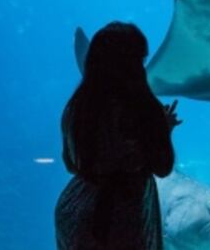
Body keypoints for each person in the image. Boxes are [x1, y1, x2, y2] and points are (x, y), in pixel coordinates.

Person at [55, 22, 181, 249]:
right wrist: (164, 130)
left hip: (76, 211)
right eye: (141, 60)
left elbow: (71, 165)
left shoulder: (76, 108)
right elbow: (162, 166)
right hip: (126, 218)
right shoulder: (144, 109)